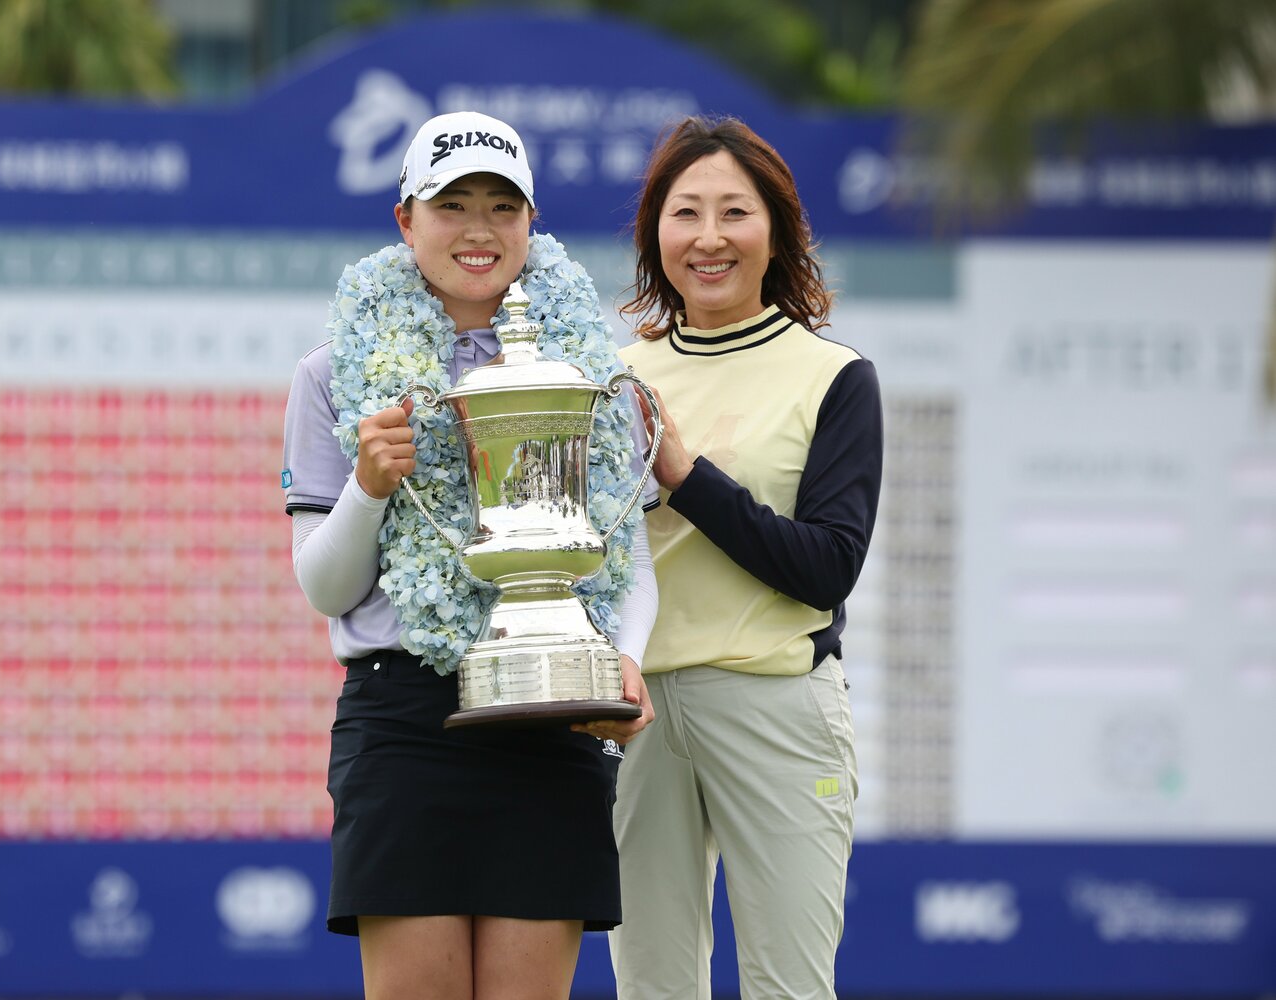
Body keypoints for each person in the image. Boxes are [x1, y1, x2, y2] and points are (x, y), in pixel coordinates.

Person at [280, 111, 659, 1000]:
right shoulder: (335, 374)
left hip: (552, 712)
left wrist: (624, 660)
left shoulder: (594, 369)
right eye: (452, 206)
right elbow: (325, 586)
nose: (480, 230)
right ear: (406, 220)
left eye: (502, 206)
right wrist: (371, 486)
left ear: (533, 223)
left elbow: (625, 556)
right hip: (404, 721)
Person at [609, 115, 883, 1000]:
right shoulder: (612, 378)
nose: (710, 237)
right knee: (651, 987)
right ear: (657, 235)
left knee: (788, 989)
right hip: (636, 718)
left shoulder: (833, 376)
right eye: (686, 213)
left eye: (736, 211)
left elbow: (826, 567)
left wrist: (686, 477)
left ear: (778, 231)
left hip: (775, 707)